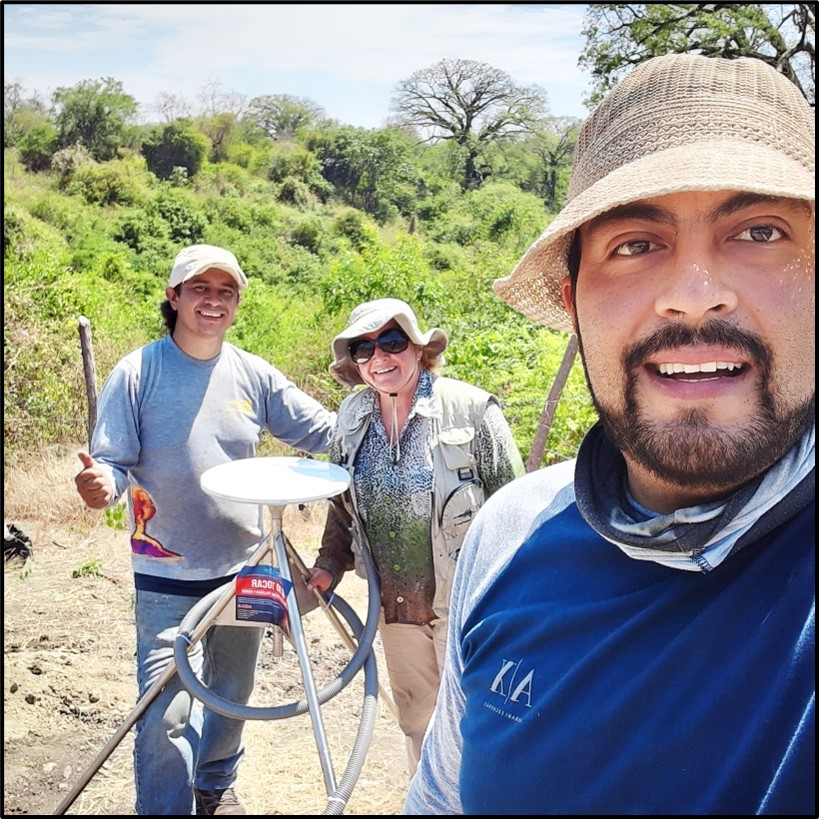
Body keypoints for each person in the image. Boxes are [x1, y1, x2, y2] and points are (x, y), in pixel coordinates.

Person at [405, 54, 814, 816]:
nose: (693, 296)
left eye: (759, 231)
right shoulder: (507, 539)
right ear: (573, 300)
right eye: (634, 243)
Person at [74, 244, 336, 816]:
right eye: (199, 289)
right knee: (163, 711)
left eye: (225, 291)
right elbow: (112, 464)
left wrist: (384, 414)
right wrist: (102, 484)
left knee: (232, 694)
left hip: (246, 568)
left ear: (237, 303)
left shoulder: (253, 373)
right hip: (166, 571)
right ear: (174, 297)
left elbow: (322, 431)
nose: (212, 301)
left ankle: (214, 787)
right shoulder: (138, 371)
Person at [305, 298, 524, 776]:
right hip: (396, 608)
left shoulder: (472, 410)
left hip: (466, 603)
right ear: (354, 362)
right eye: (364, 348)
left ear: (420, 348)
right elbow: (341, 504)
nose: (380, 357)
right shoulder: (351, 417)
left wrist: (519, 601)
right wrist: (327, 564)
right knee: (418, 722)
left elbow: (516, 510)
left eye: (392, 341)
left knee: (478, 721)